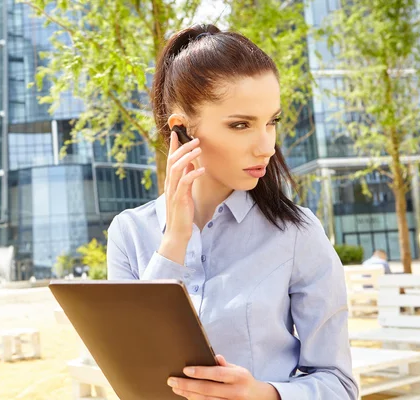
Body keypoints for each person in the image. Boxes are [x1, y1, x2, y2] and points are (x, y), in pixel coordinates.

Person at [106, 24, 358, 400]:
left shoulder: (297, 234)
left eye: (271, 121)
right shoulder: (130, 233)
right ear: (182, 130)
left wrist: (263, 394)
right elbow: (131, 366)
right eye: (241, 125)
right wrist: (174, 242)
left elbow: (340, 386)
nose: (266, 147)